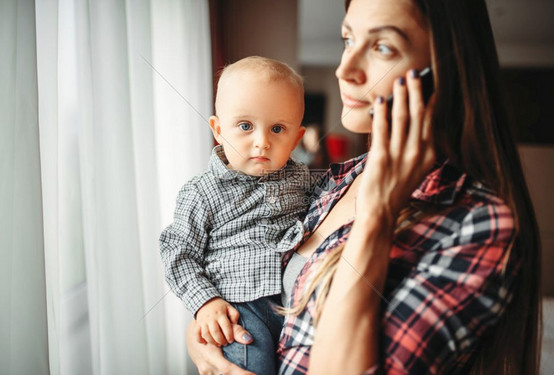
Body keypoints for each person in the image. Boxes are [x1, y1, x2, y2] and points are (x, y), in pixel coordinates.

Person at [186, 0, 542, 374]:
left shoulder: (478, 224)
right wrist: (205, 328)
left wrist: (377, 217)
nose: (345, 70)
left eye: (383, 47)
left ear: (444, 72)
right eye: (348, 39)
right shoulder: (337, 180)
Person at [160, 56, 311, 375]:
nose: (262, 141)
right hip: (237, 309)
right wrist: (205, 302)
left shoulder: (303, 180)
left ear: (296, 138)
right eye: (245, 126)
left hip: (293, 306)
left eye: (277, 129)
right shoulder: (202, 191)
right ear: (218, 129)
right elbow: (178, 253)